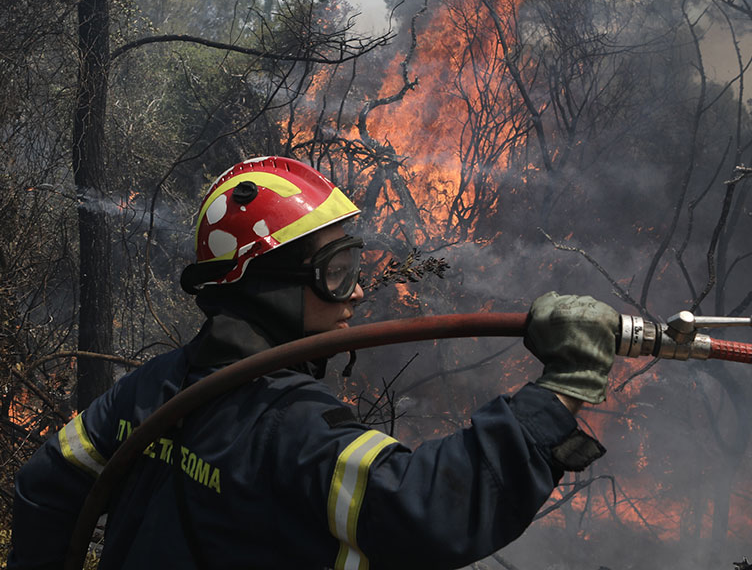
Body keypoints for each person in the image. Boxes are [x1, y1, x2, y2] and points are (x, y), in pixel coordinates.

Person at [8, 156, 620, 570]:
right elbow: (432, 510)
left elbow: (44, 486)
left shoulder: (152, 388)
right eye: (337, 273)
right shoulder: (292, 429)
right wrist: (560, 391)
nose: (356, 291)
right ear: (266, 284)